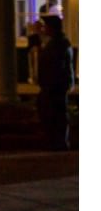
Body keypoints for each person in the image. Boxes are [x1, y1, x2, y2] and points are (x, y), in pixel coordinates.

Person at [36, 15, 73, 150]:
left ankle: (58, 142)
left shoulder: (59, 44)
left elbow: (58, 66)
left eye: (46, 26)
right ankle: (55, 141)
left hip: (55, 85)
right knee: (52, 113)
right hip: (51, 84)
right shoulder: (55, 43)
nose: (44, 29)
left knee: (56, 114)